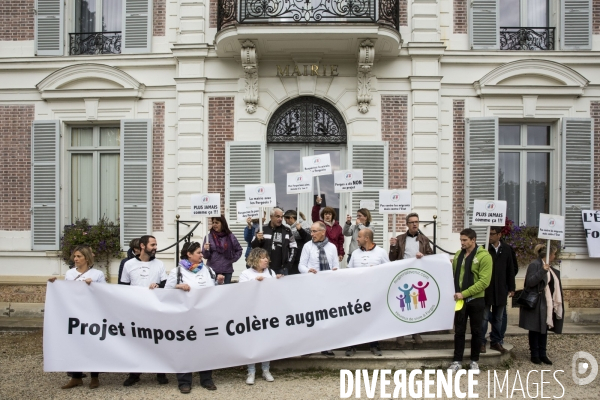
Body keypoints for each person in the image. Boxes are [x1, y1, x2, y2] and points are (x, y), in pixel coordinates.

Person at [165, 241, 224, 393]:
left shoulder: (208, 270)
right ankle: (184, 381)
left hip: (205, 317)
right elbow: (165, 293)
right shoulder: (177, 272)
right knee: (184, 348)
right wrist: (178, 287)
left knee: (205, 348)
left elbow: (214, 292)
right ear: (189, 254)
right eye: (198, 252)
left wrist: (219, 282)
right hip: (184, 318)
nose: (201, 255)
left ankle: (206, 379)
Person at [48, 245, 105, 389]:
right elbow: (66, 292)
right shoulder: (70, 273)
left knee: (92, 344)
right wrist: (55, 284)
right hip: (74, 314)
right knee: (74, 344)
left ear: (86, 258)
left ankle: (94, 377)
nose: (75, 259)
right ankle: (76, 376)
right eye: (75, 256)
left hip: (91, 314)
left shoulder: (97, 274)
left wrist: (93, 286)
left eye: (79, 256)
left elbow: (105, 293)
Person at [120, 235, 169, 387]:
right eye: (153, 244)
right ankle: (134, 373)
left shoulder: (160, 264)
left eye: (156, 244)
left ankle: (160, 372)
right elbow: (123, 286)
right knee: (136, 342)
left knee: (158, 340)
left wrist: (158, 286)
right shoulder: (128, 264)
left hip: (155, 309)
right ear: (142, 246)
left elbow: (165, 285)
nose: (155, 247)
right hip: (136, 310)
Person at [448, 228, 492, 373]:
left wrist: (464, 293)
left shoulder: (484, 256)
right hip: (460, 300)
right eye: (461, 240)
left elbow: (484, 282)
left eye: (465, 240)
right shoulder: (459, 254)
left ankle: (474, 361)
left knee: (476, 331)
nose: (462, 243)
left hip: (476, 299)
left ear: (473, 240)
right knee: (459, 330)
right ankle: (457, 360)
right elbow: (453, 273)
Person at [239, 248, 283, 384]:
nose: (266, 260)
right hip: (251, 312)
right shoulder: (245, 274)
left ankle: (265, 370)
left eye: (267, 257)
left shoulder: (271, 273)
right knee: (251, 341)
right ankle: (251, 371)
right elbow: (241, 292)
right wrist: (254, 283)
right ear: (255, 259)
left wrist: (278, 281)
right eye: (263, 258)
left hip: (267, 312)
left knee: (266, 341)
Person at [389, 212, 434, 345]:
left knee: (416, 305)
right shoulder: (400, 238)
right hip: (403, 276)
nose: (415, 224)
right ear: (407, 224)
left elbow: (431, 257)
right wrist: (392, 247)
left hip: (417, 276)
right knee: (402, 305)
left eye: (417, 222)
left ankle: (416, 332)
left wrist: (424, 255)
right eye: (412, 222)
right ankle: (401, 333)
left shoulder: (424, 240)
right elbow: (392, 258)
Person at [345, 229, 390, 357]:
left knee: (373, 319)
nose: (356, 239)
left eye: (359, 237)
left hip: (374, 293)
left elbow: (388, 270)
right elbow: (349, 271)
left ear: (367, 238)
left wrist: (377, 271)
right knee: (354, 318)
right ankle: (352, 346)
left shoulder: (381, 252)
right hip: (357, 293)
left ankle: (374, 345)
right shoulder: (354, 253)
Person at [298, 221, 339, 357]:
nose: (312, 234)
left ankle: (327, 346)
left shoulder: (332, 247)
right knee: (311, 316)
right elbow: (301, 265)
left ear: (323, 232)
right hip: (311, 286)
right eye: (311, 231)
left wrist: (335, 271)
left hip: (328, 286)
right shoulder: (307, 246)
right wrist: (307, 270)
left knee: (327, 316)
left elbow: (336, 266)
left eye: (315, 231)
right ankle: (309, 346)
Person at [518, 244, 563, 365]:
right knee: (535, 328)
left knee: (544, 328)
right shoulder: (535, 265)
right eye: (553, 254)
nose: (554, 256)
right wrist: (543, 270)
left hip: (546, 301)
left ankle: (543, 353)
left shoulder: (549, 267)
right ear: (548, 255)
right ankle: (534, 354)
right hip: (537, 300)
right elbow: (530, 282)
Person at [480, 226, 515, 355]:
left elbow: (511, 269)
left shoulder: (506, 249)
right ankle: (481, 342)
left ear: (499, 235)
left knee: (499, 317)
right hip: (486, 288)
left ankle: (496, 341)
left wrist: (511, 287)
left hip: (501, 289)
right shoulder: (483, 249)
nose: (490, 236)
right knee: (483, 317)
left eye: (492, 234)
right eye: (488, 233)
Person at [251, 207, 297, 275]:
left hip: (282, 269)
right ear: (271, 217)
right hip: (264, 268)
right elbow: (254, 247)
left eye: (281, 217)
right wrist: (257, 239)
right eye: (277, 216)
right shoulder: (262, 228)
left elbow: (294, 247)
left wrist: (289, 264)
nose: (280, 219)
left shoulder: (287, 230)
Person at [203, 215, 243, 284]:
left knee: (225, 292)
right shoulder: (208, 237)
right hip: (212, 270)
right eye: (213, 222)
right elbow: (205, 256)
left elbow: (239, 250)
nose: (214, 224)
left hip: (226, 270)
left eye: (217, 222)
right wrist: (206, 250)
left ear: (222, 223)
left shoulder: (230, 236)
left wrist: (232, 260)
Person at [312, 196, 344, 262]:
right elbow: (314, 216)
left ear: (332, 215)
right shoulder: (320, 224)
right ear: (323, 215)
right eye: (326, 214)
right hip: (322, 252)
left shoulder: (338, 227)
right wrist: (317, 205)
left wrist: (341, 253)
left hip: (334, 253)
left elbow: (340, 242)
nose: (327, 216)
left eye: (329, 214)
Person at [284, 209, 311, 275]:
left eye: (286, 220)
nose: (286, 223)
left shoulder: (305, 225)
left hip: (300, 257)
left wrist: (300, 230)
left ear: (291, 218)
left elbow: (308, 239)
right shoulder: (291, 228)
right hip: (294, 257)